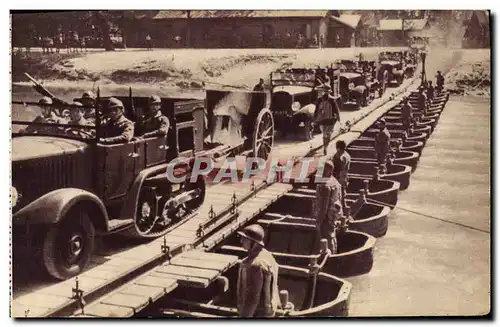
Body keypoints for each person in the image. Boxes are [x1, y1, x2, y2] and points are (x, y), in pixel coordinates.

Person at [236, 224, 281, 318]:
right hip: (269, 311)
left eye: (245, 239)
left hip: (257, 314)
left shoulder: (255, 266)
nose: (241, 241)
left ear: (254, 242)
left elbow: (252, 300)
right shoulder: (268, 256)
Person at [312, 160, 343, 253]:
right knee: (331, 234)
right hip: (334, 214)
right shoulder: (335, 181)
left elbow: (323, 207)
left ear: (329, 171)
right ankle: (333, 253)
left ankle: (329, 256)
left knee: (326, 235)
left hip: (327, 216)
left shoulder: (325, 185)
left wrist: (319, 221)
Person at [314, 86, 341, 155]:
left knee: (324, 134)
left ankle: (325, 147)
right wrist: (338, 118)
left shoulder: (320, 100)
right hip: (330, 120)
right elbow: (336, 110)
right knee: (327, 135)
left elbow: (316, 110)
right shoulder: (332, 100)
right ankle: (326, 147)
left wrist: (315, 119)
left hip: (323, 120)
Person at [332, 140, 351, 207]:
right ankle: (344, 206)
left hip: (338, 177)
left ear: (338, 148)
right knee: (343, 193)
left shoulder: (339, 156)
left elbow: (336, 168)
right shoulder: (347, 155)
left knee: (337, 194)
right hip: (344, 176)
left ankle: (340, 208)